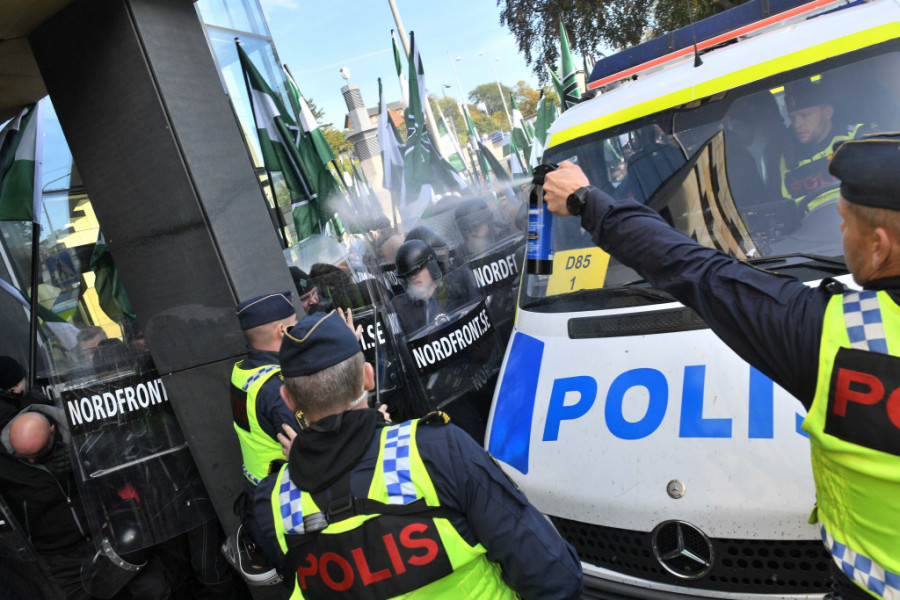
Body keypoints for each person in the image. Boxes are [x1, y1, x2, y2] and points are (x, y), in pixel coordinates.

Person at [541, 134, 900, 600]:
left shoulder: (838, 336)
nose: (842, 232)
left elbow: (695, 268)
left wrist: (587, 202)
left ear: (879, 247)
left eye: (845, 223)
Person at [248, 310, 583, 599]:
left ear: (288, 399)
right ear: (368, 378)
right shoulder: (436, 450)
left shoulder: (271, 506)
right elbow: (554, 575)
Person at [230, 291, 298, 489]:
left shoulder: (243, 371)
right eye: (295, 324)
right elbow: (315, 448)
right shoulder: (279, 387)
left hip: (259, 488)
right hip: (287, 494)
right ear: (282, 330)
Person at [778, 76, 869, 214]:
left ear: (827, 113)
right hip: (813, 226)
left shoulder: (859, 139)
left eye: (805, 115)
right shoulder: (788, 159)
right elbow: (789, 209)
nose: (797, 125)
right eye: (793, 118)